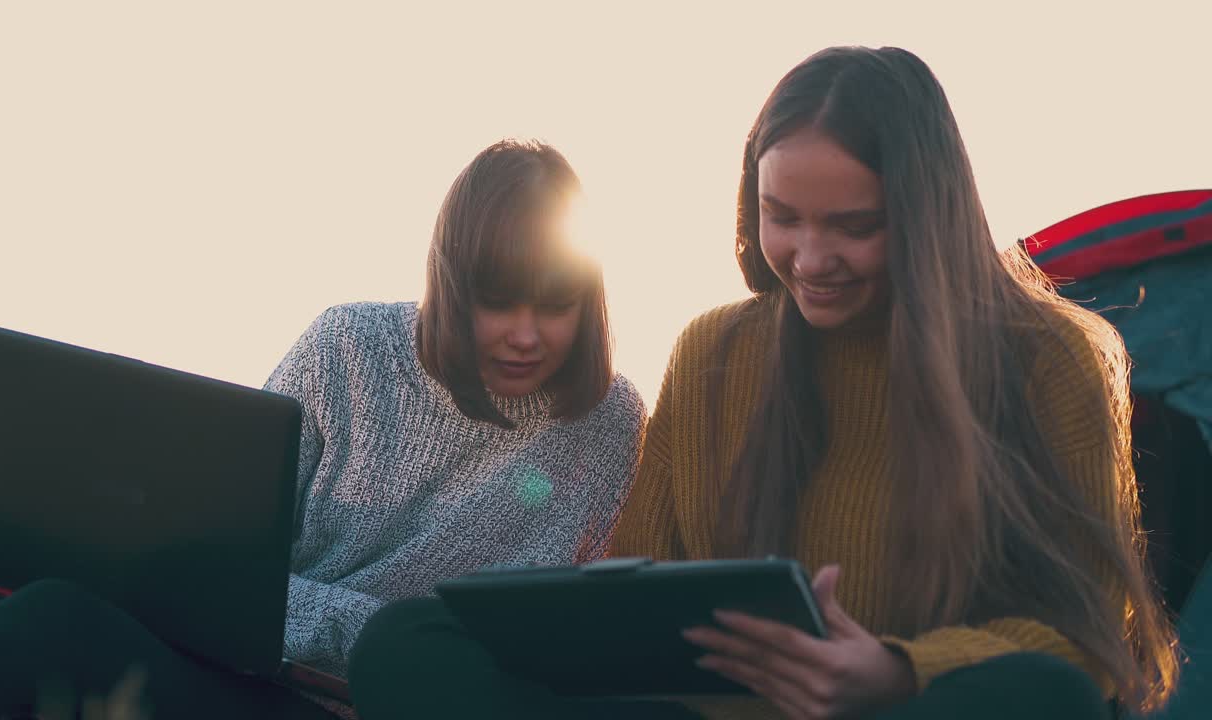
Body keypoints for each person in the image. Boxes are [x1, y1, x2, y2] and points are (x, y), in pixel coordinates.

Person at [347, 46, 1180, 720]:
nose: (810, 261)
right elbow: (638, 573)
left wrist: (894, 671)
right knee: (407, 642)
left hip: (907, 711)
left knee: (1044, 697)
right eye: (783, 216)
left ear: (927, 215)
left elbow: (1092, 632)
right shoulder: (714, 350)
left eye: (852, 226)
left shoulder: (1054, 356)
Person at [0, 138, 647, 719]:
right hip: (236, 659)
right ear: (455, 286)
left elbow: (545, 645)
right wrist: (346, 626)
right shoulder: (347, 348)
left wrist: (373, 644)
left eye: (555, 304)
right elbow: (221, 568)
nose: (526, 335)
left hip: (347, 707)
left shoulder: (608, 422)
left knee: (62, 621)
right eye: (499, 303)